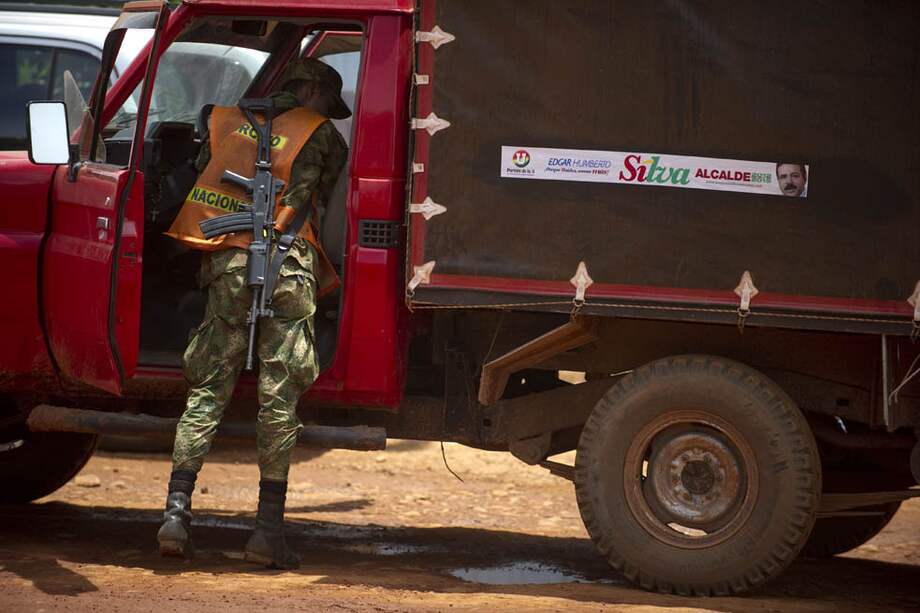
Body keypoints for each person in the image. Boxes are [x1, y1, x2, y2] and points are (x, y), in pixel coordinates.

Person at [157, 57, 350, 569]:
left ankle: (175, 514)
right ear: (310, 90)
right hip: (291, 269)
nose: (326, 109)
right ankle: (267, 534)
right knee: (279, 398)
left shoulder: (226, 121)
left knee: (207, 389)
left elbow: (201, 179)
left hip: (228, 266)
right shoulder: (323, 134)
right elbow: (334, 194)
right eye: (325, 99)